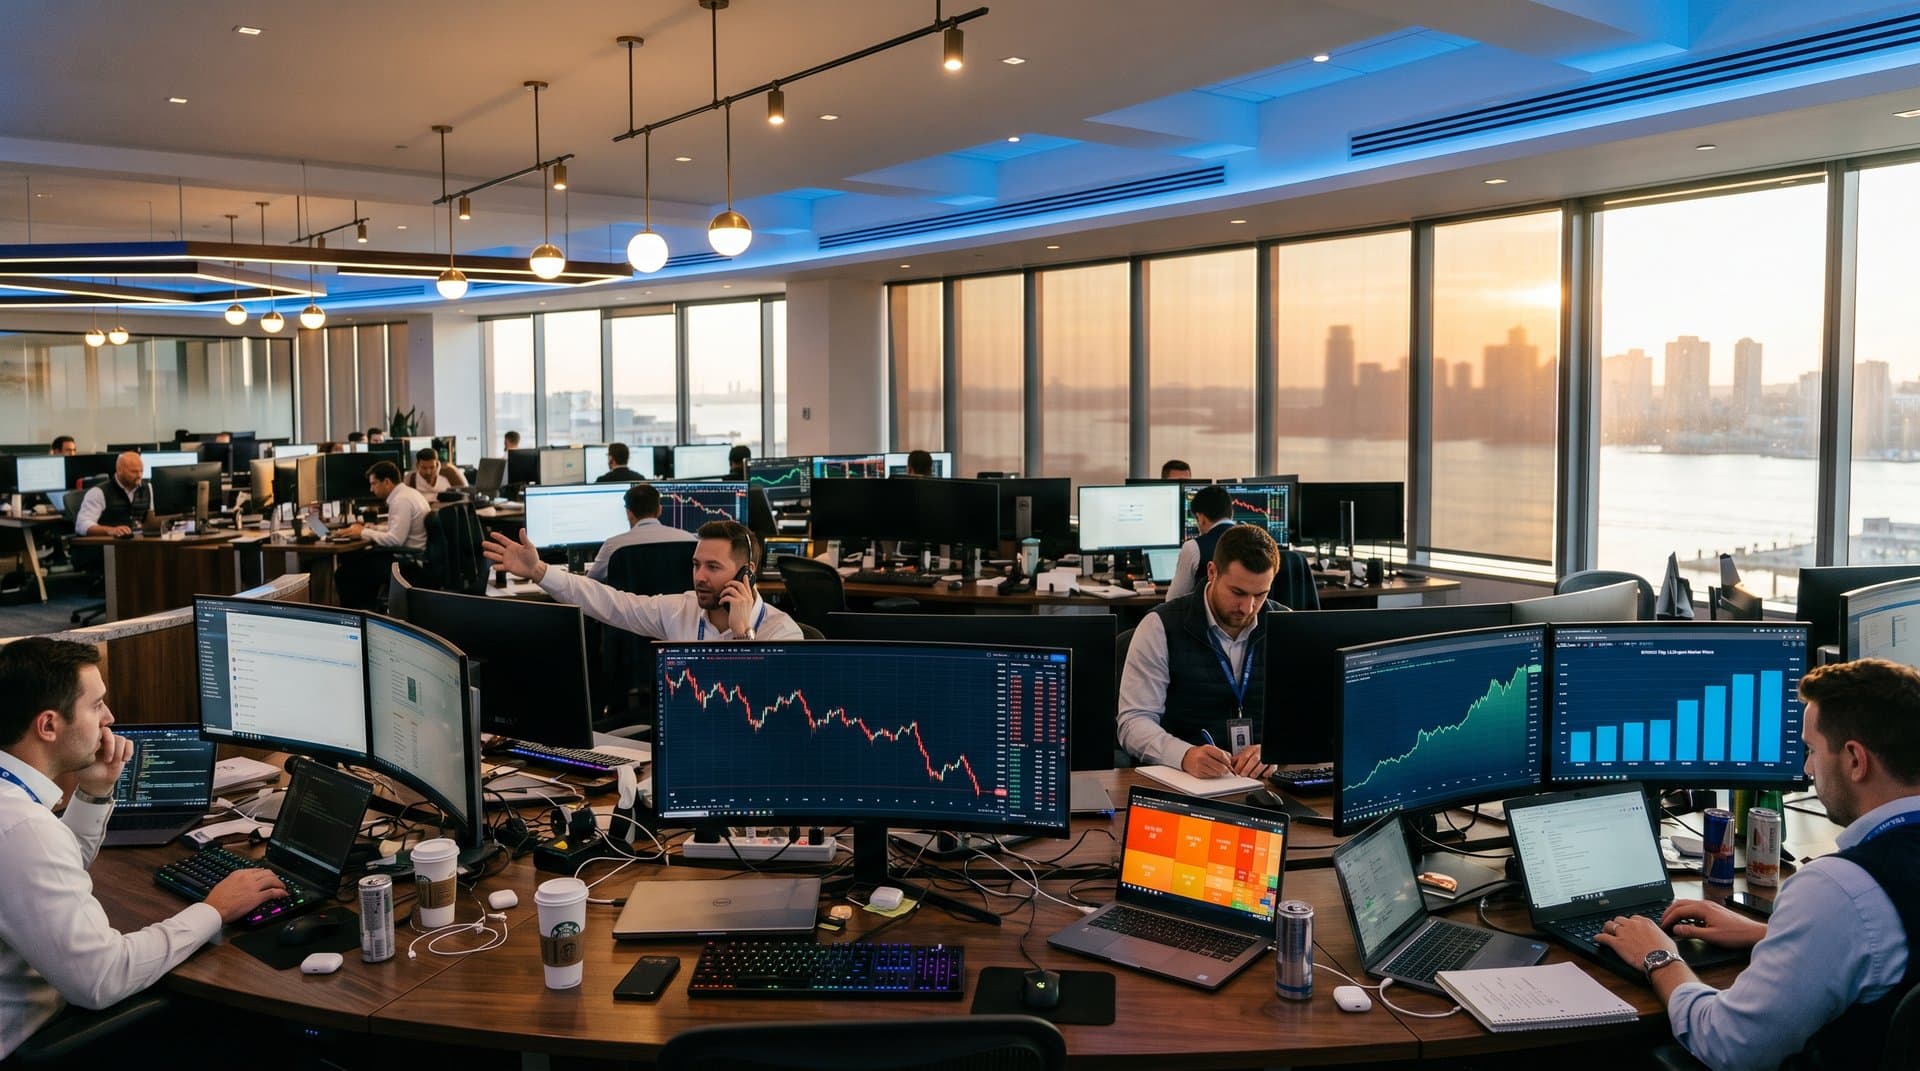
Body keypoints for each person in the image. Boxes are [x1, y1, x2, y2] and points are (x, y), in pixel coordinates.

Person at [1597, 658, 1920, 1070]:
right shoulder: (1854, 902)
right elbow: (1886, 946)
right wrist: (1770, 933)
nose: (1806, 768)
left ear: (1856, 760)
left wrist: (1659, 957)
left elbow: (1729, 1045)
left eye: (1812, 750)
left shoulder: (1841, 891)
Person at [0, 639, 285, 1059]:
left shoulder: (16, 813)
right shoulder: (23, 829)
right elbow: (102, 979)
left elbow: (43, 876)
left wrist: (95, 791)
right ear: (48, 725)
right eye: (96, 705)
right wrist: (215, 910)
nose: (110, 718)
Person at [1118, 524, 1281, 779]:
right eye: (1237, 592)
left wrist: (1274, 752)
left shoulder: (1285, 625)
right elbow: (1134, 722)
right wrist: (1183, 755)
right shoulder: (1160, 626)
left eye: (1260, 595)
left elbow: (1307, 720)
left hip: (1264, 783)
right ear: (1212, 572)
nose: (1248, 607)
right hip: (1185, 781)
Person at [484, 519, 803, 642]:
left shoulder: (782, 632)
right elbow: (609, 603)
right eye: (696, 565)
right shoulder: (681, 610)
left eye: (713, 567)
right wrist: (540, 571)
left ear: (747, 571)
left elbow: (759, 712)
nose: (699, 577)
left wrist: (741, 634)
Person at [332, 461, 428, 608]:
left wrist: (363, 532)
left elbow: (396, 539)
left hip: (408, 561)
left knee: (345, 573)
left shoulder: (401, 500)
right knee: (357, 562)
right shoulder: (409, 494)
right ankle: (369, 610)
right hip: (411, 555)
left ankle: (360, 615)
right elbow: (398, 529)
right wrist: (374, 528)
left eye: (374, 483)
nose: (371, 489)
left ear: (387, 482)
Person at [586, 482, 697, 581]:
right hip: (676, 604)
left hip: (628, 604)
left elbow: (591, 582)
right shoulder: (689, 540)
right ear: (659, 510)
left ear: (629, 512)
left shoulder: (613, 545)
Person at [1167, 484, 1233, 600]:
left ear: (1201, 517)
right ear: (1231, 513)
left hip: (1205, 617)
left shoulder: (1193, 547)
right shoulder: (1255, 541)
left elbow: (1173, 600)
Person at [74, 453, 150, 537]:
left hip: (140, 542)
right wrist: (110, 530)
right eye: (134, 472)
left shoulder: (147, 488)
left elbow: (152, 518)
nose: (139, 475)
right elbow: (81, 525)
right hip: (109, 545)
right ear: (119, 470)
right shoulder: (98, 492)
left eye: (141, 471)